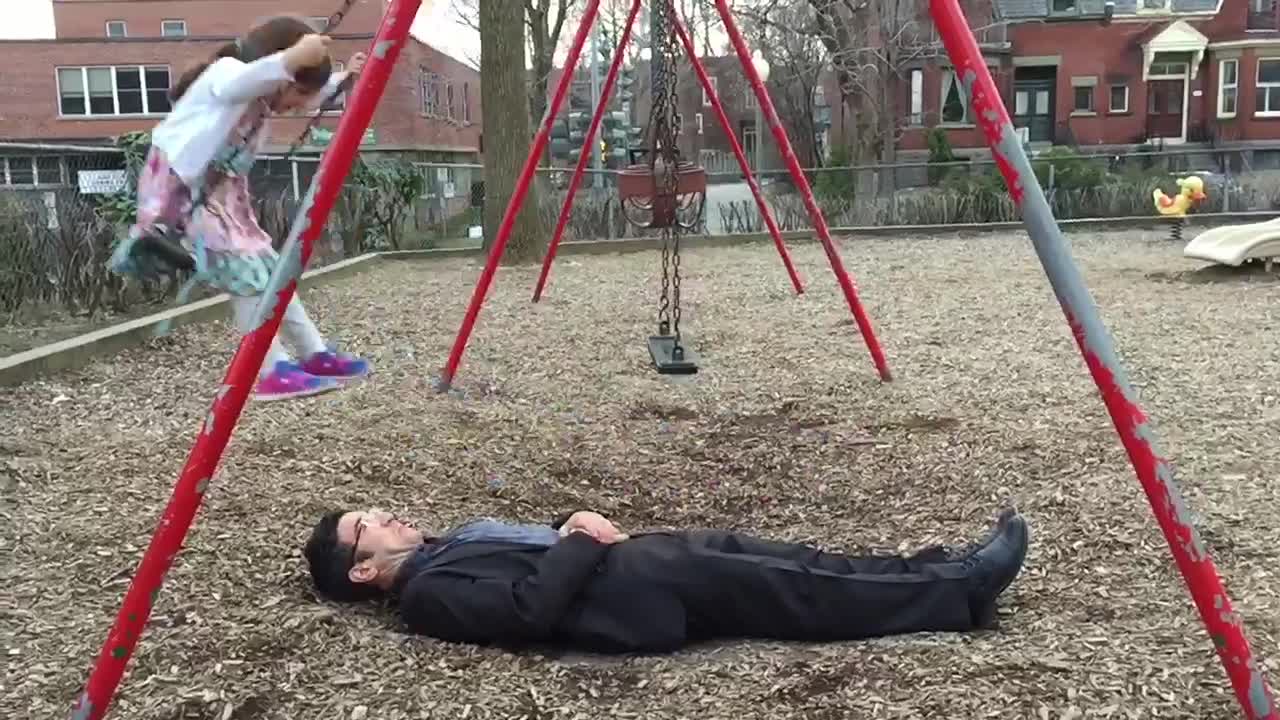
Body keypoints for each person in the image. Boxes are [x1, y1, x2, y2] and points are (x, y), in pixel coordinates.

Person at [304, 505, 1029, 653]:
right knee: (800, 592)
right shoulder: (427, 596)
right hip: (639, 593)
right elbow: (528, 610)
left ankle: (939, 567)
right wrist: (584, 537)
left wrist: (570, 517)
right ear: (364, 570)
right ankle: (962, 589)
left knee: (805, 561)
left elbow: (538, 547)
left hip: (642, 559)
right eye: (367, 523)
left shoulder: (449, 543)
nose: (388, 513)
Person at [110, 16, 371, 402]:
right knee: (247, 274)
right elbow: (244, 81)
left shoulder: (267, 90)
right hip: (181, 187)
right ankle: (268, 371)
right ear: (282, 74)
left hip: (221, 190)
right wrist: (292, 57)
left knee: (270, 269)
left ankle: (313, 353)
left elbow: (298, 89)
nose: (300, 107)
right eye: (298, 94)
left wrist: (341, 79)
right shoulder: (227, 74)